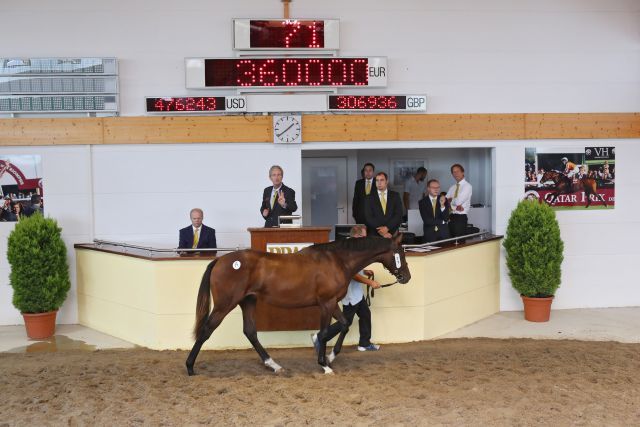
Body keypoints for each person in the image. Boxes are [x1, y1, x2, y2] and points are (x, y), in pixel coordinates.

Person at [311, 225, 381, 352]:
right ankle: (319, 337)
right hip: (348, 293)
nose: (365, 241)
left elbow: (355, 269)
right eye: (364, 237)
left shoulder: (354, 249)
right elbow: (351, 274)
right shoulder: (347, 250)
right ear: (357, 236)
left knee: (365, 314)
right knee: (345, 322)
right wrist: (370, 283)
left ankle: (364, 343)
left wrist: (364, 272)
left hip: (356, 293)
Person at [364, 172, 403, 238]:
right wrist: (383, 232)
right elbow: (369, 217)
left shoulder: (395, 196)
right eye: (377, 180)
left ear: (386, 181)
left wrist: (387, 228)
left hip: (391, 233)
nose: (379, 183)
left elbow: (398, 214)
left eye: (382, 180)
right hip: (375, 235)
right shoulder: (369, 197)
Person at [446, 163, 472, 237]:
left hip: (460, 218)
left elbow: (458, 202)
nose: (455, 173)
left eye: (457, 171)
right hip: (450, 217)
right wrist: (454, 207)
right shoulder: (452, 187)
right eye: (453, 172)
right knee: (450, 242)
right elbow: (444, 201)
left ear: (462, 172)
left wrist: (451, 200)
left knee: (459, 242)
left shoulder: (467, 186)